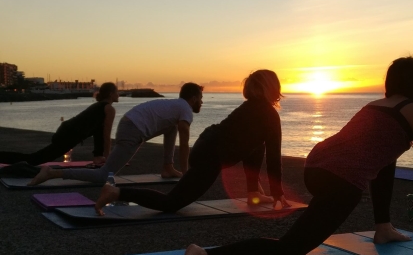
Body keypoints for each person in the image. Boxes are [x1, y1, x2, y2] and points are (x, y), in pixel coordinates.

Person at [158, 56, 413, 255]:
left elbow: (382, 159)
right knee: (289, 250)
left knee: (379, 162)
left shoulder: (376, 106)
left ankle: (383, 229)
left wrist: (381, 223)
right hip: (340, 180)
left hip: (315, 165)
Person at [94, 69, 290, 215]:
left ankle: (253, 193)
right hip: (210, 156)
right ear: (273, 88)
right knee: (171, 203)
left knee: (257, 144)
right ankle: (116, 192)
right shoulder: (268, 115)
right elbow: (274, 158)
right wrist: (278, 194)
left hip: (206, 144)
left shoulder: (250, 107)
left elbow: (257, 150)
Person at [28, 82, 203, 185]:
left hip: (130, 124)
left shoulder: (176, 107)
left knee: (171, 127)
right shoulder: (185, 109)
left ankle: (167, 167)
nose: (202, 102)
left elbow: (176, 135)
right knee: (104, 176)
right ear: (193, 98)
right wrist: (187, 174)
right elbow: (185, 145)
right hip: (132, 129)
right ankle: (52, 173)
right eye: (200, 98)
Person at [0, 82, 119, 166]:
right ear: (110, 94)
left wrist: (99, 155)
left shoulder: (100, 106)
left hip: (66, 131)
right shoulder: (108, 108)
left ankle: (98, 157)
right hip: (68, 135)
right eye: (116, 92)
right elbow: (106, 136)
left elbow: (98, 132)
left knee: (35, 158)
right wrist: (108, 159)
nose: (118, 94)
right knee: (34, 160)